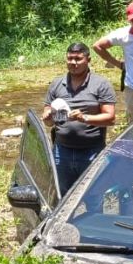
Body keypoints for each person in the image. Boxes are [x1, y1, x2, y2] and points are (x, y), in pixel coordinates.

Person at [41, 43, 117, 196]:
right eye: (70, 59)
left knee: (94, 195)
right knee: (61, 195)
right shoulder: (57, 84)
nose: (73, 63)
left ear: (88, 60)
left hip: (92, 152)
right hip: (62, 152)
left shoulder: (101, 84)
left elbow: (110, 118)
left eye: (78, 59)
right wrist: (48, 117)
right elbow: (49, 122)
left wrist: (84, 118)